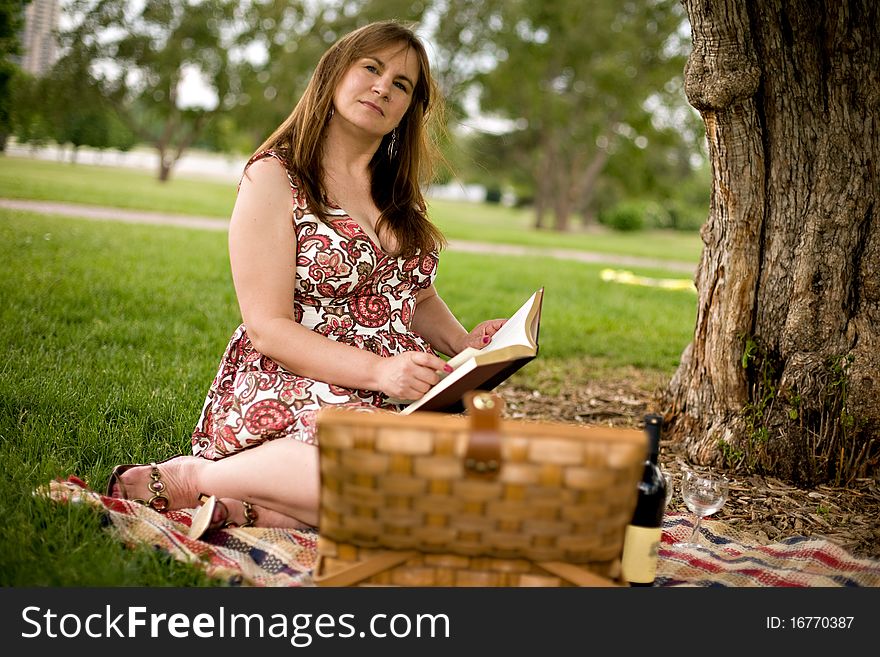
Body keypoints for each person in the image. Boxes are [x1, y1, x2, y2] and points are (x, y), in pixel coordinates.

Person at [107, 20, 506, 533]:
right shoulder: (275, 177)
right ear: (335, 74)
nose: (384, 86)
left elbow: (414, 292)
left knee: (476, 488)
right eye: (372, 68)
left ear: (409, 109)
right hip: (296, 378)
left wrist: (464, 343)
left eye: (402, 84)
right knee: (388, 486)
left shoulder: (395, 192)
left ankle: (262, 509)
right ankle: (202, 476)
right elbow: (267, 328)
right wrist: (381, 373)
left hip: (393, 394)